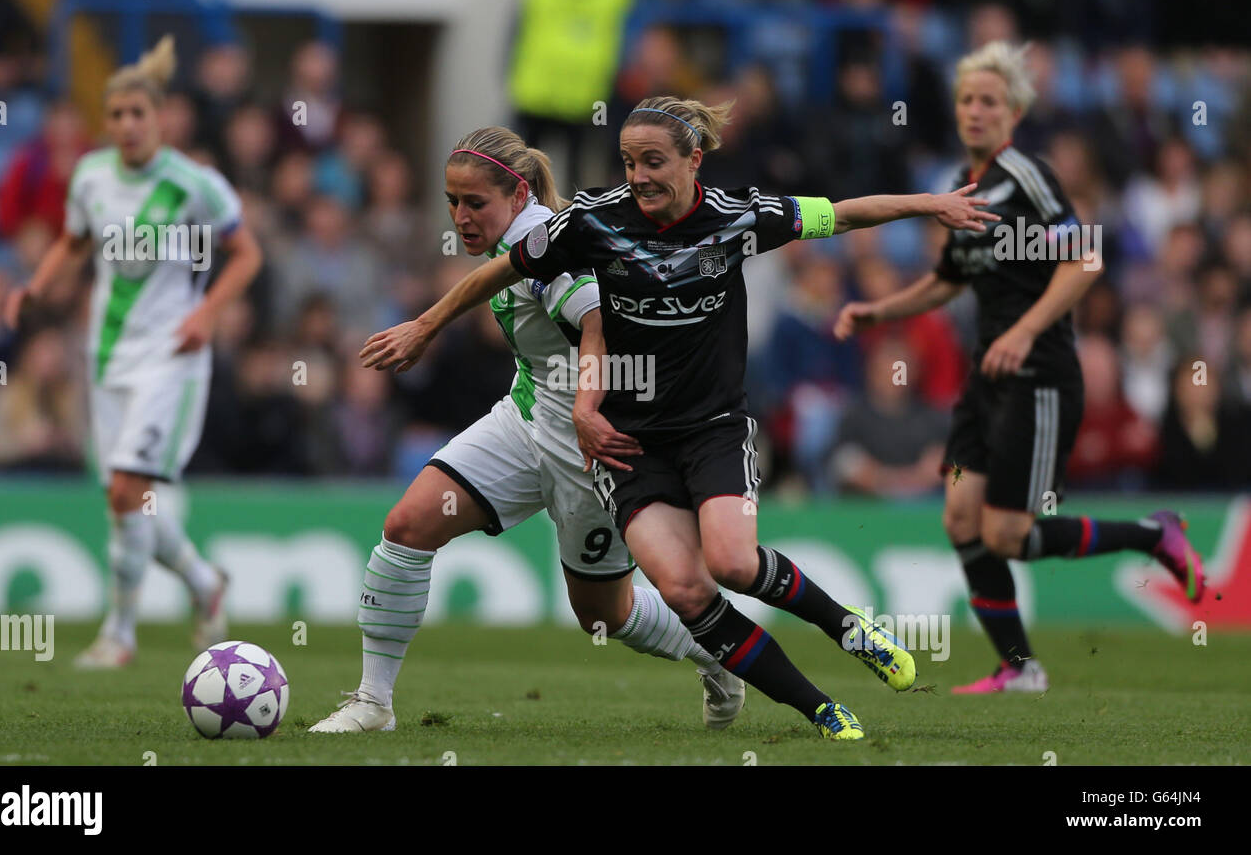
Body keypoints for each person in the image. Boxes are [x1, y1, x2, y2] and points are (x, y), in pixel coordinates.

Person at [361, 97, 999, 740]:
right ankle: (822, 710)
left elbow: (840, 215)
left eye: (653, 161)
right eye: (629, 162)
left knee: (732, 565)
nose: (637, 176)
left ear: (695, 159)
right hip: (624, 442)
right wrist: (425, 325)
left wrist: (932, 205)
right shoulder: (590, 221)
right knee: (680, 595)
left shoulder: (739, 216)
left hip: (707, 426)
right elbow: (508, 269)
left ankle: (848, 628)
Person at [311, 127, 745, 734]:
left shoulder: (546, 249)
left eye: (474, 203)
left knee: (604, 616)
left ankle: (718, 651)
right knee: (407, 526)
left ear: (517, 195)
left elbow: (594, 318)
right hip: (526, 415)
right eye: (452, 202)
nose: (461, 217)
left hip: (592, 445)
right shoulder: (512, 240)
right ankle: (373, 703)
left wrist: (587, 409)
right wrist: (427, 326)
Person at [834, 41, 1204, 694]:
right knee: (959, 518)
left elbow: (1083, 261)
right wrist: (879, 311)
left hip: (1039, 373)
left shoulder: (1028, 176)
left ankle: (1152, 535)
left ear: (1014, 112)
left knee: (1005, 533)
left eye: (990, 101)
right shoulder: (960, 189)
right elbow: (951, 279)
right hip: (988, 376)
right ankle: (1019, 666)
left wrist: (1027, 330)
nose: (975, 111)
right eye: (967, 100)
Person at [3, 36, 264, 667]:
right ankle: (205, 584)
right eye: (114, 115)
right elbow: (72, 241)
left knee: (128, 490)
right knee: (126, 497)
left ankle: (119, 635)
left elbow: (247, 253)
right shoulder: (91, 176)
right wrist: (37, 286)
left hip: (170, 355)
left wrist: (208, 312)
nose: (124, 126)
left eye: (136, 114)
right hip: (107, 356)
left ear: (160, 117)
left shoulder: (193, 185)